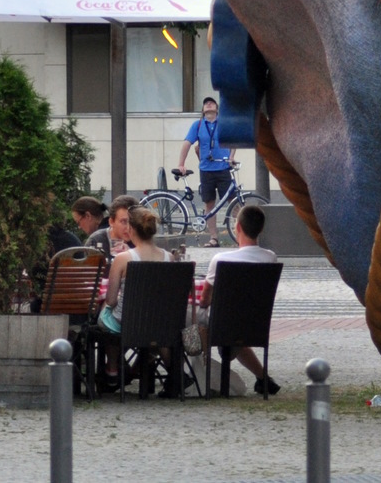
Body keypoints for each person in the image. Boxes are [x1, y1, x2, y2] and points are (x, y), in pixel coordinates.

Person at [202, 203, 280, 397]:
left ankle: (196, 375)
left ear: (237, 228)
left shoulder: (220, 259)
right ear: (261, 229)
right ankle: (264, 379)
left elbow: (204, 299)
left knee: (194, 320)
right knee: (235, 323)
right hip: (255, 324)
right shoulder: (270, 258)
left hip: (222, 327)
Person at [100, 204, 167, 337]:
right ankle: (149, 356)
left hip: (126, 321)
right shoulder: (168, 257)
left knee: (105, 319)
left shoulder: (123, 258)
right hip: (158, 321)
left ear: (131, 229)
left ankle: (114, 358)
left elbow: (111, 300)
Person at [176, 97, 235, 242]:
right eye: (206, 103)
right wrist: (181, 163)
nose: (208, 104)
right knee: (209, 203)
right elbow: (187, 143)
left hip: (223, 168)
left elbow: (233, 141)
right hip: (207, 170)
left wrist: (232, 157)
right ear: (202, 110)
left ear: (216, 108)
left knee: (233, 202)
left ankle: (242, 235)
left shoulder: (223, 123)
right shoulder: (198, 125)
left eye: (212, 103)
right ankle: (213, 238)